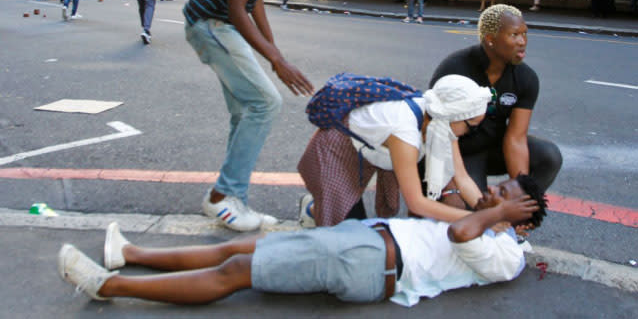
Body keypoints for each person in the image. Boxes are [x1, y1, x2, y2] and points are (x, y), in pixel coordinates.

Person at [57, 174, 546, 307]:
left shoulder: (506, 254)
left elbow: (461, 233)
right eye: (497, 189)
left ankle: (110, 287)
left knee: (236, 274)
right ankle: (131, 254)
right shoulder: (486, 219)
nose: (491, 194)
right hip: (365, 241)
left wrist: (498, 215)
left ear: (522, 221)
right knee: (236, 249)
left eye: (504, 195)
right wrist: (495, 209)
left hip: (370, 262)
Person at [182, 0, 314, 232]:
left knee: (245, 111)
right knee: (265, 103)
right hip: (210, 24)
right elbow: (236, 9)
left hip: (222, 22)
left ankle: (228, 197)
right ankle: (224, 197)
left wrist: (276, 54)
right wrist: (275, 60)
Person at [298, 74, 491, 228]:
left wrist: (491, 214)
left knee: (353, 211)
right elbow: (416, 203)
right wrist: (477, 219)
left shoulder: (439, 122)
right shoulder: (404, 132)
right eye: (471, 126)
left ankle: (323, 204)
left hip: (369, 147)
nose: (471, 132)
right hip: (336, 149)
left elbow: (462, 178)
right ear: (451, 116)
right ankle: (313, 210)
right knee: (350, 236)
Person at [429, 5, 562, 194]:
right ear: (490, 39)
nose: (522, 41)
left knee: (549, 156)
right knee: (474, 208)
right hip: (461, 151)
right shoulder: (455, 68)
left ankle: (518, 217)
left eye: (524, 34)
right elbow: (435, 130)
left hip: (495, 147)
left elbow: (516, 138)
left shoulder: (526, 78)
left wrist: (519, 195)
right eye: (514, 35)